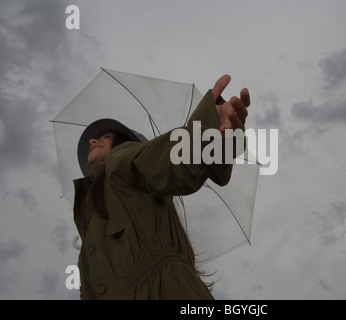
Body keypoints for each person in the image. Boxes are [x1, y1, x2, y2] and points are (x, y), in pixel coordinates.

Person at [73, 75, 250, 299]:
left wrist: (209, 125)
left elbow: (165, 158)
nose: (92, 141)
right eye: (92, 140)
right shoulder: (91, 213)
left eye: (106, 137)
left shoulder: (120, 160)